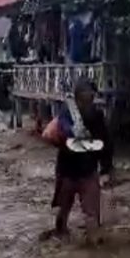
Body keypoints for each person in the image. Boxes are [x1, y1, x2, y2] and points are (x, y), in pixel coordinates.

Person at [52, 78, 113, 241]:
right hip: (67, 171)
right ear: (78, 98)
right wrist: (72, 131)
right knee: (63, 211)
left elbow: (106, 144)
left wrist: (106, 170)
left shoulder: (97, 116)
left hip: (88, 171)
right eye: (85, 98)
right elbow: (62, 127)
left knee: (91, 214)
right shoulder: (66, 113)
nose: (88, 102)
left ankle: (94, 249)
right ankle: (62, 236)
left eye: (90, 98)